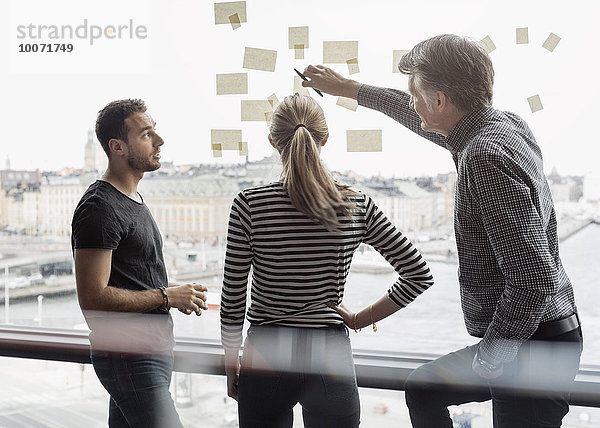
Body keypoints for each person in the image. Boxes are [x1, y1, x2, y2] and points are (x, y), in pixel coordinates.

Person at [301, 34, 582, 427]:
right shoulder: (502, 126)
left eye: (415, 93)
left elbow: (533, 280)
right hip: (540, 336)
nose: (412, 102)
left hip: (531, 349)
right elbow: (412, 113)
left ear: (439, 102)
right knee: (424, 388)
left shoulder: (483, 157)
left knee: (425, 390)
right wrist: (349, 89)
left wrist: (489, 360)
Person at [220, 93, 434, 427]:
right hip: (328, 352)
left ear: (273, 143)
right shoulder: (356, 205)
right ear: (325, 140)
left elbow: (233, 297)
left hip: (266, 351)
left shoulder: (249, 205)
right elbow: (418, 274)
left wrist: (231, 363)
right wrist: (361, 318)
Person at [71, 99, 208, 428]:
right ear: (117, 146)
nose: (159, 141)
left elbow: (131, 278)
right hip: (129, 356)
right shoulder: (99, 207)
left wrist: (175, 291)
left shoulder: (131, 199)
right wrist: (167, 296)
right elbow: (93, 298)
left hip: (150, 352)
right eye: (146, 134)